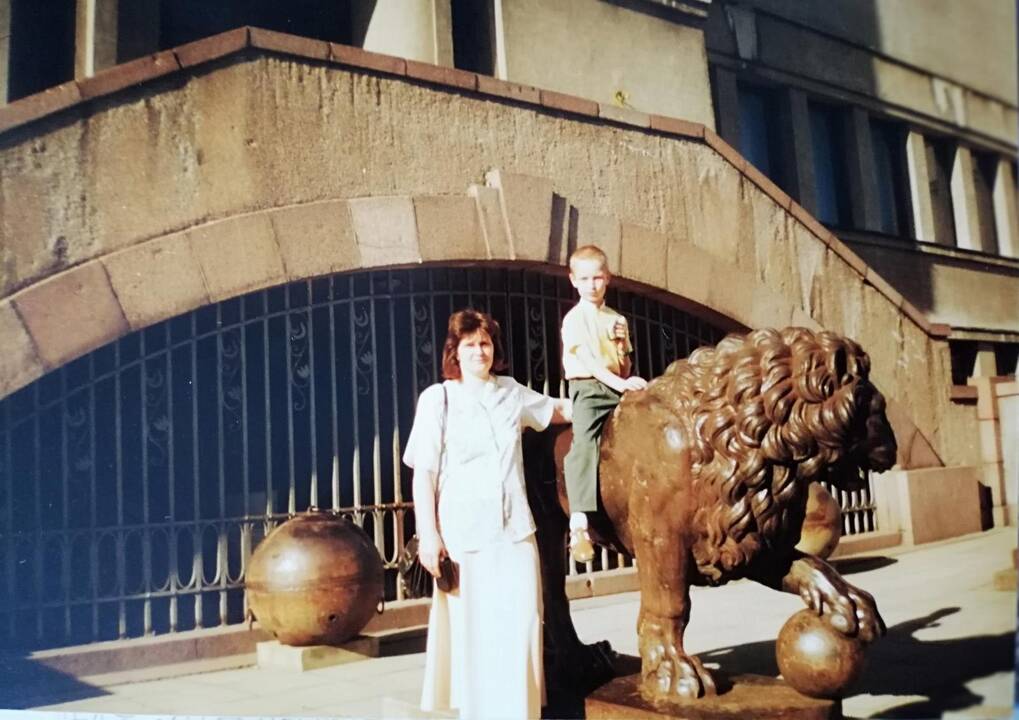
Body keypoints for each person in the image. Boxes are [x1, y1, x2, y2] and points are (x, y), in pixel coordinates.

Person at [403, 309, 571, 720]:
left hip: (514, 531)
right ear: (454, 352)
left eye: (485, 343)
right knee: (474, 635)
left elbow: (559, 410)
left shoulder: (511, 392)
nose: (479, 351)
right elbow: (423, 473)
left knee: (521, 628)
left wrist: (615, 391)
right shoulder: (437, 399)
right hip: (464, 534)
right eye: (469, 344)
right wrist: (429, 535)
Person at [561, 245, 648, 562]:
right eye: (584, 278)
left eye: (597, 277)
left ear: (608, 277)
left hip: (617, 385)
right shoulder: (574, 320)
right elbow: (590, 363)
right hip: (589, 388)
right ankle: (579, 521)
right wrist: (622, 384)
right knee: (584, 444)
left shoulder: (616, 318)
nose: (592, 284)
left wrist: (622, 345)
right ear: (573, 280)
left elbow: (622, 365)